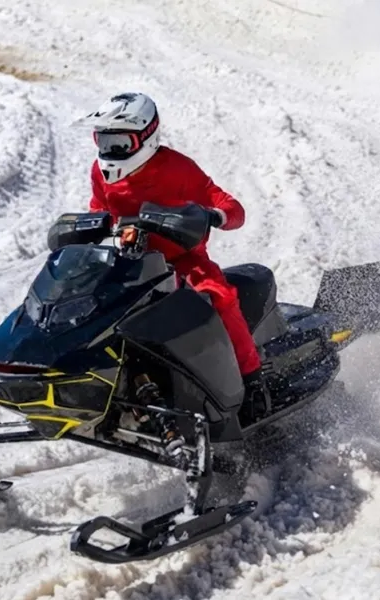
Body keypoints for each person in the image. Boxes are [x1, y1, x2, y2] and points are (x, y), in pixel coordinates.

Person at [82, 92, 270, 448]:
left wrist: (215, 215)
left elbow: (228, 205)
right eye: (103, 140)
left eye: (120, 141)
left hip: (183, 261)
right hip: (129, 263)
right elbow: (98, 208)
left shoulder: (178, 169)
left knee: (220, 298)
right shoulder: (99, 171)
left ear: (147, 136)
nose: (110, 151)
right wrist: (93, 228)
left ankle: (252, 380)